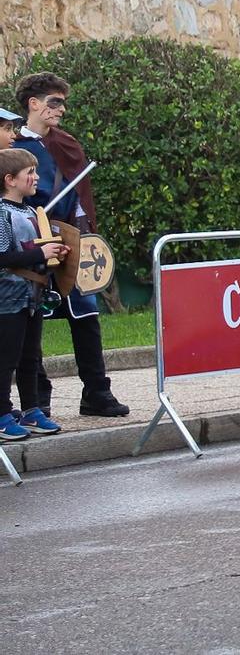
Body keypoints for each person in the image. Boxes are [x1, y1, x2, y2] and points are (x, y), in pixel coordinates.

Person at [12, 73, 127, 418]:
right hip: (30, 241)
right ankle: (38, 398)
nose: (61, 109)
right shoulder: (12, 149)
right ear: (33, 104)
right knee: (30, 322)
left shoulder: (66, 143)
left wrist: (82, 234)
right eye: (54, 102)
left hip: (71, 240)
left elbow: (79, 197)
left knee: (87, 314)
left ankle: (96, 392)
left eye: (63, 102)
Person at [0, 147, 67, 441]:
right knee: (6, 358)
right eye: (30, 173)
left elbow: (35, 250)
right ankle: (2, 415)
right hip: (7, 299)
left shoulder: (30, 212)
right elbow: (3, 256)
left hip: (33, 296)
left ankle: (31, 410)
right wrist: (39, 252)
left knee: (31, 358)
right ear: (10, 179)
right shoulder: (1, 214)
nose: (36, 177)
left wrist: (56, 252)